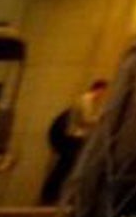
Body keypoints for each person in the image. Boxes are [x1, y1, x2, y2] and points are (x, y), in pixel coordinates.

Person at [39, 77, 108, 206]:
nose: (103, 96)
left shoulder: (84, 99)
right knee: (67, 166)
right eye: (104, 92)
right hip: (73, 138)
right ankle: (52, 195)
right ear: (100, 89)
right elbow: (86, 120)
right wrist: (101, 118)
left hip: (72, 137)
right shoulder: (87, 100)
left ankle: (53, 195)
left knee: (66, 166)